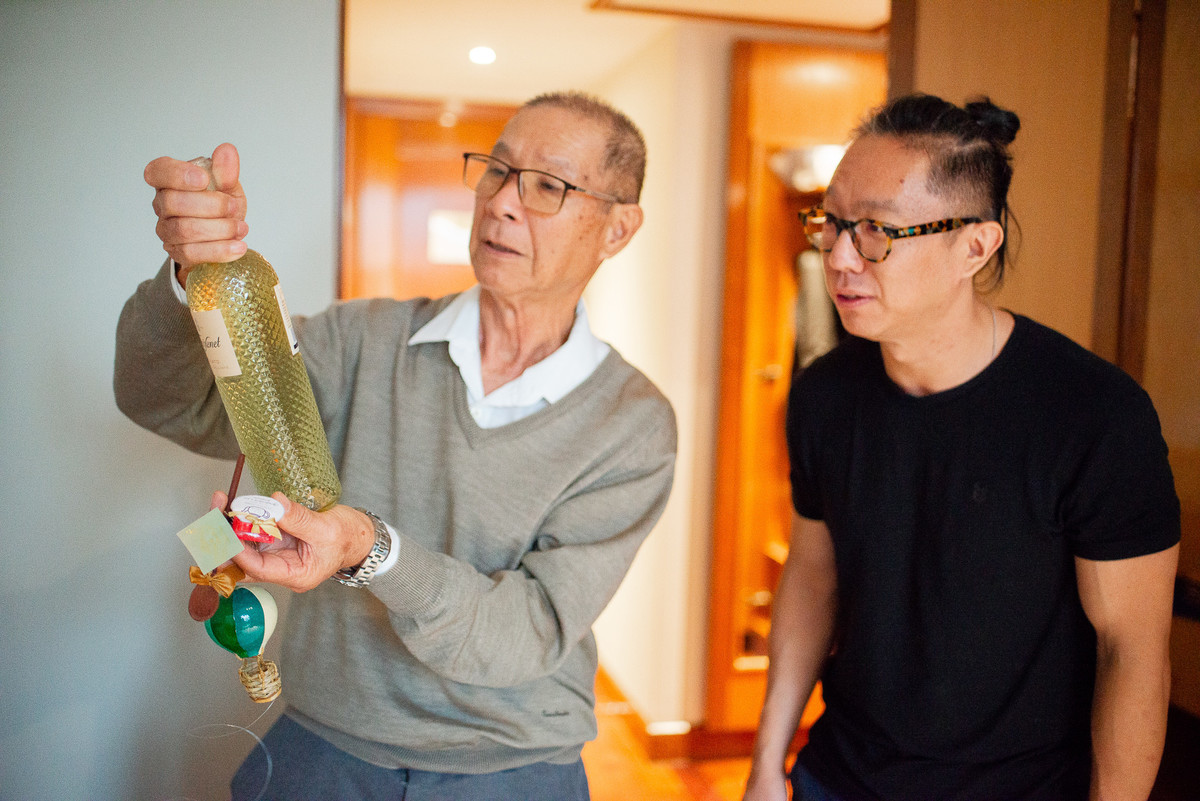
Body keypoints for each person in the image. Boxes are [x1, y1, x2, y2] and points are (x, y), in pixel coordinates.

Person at [114, 91, 677, 801]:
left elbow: (526, 629)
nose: (503, 201)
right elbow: (168, 402)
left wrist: (371, 548)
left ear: (618, 228)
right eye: (497, 170)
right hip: (326, 745)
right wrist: (192, 275)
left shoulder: (633, 424)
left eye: (546, 186)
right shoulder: (361, 341)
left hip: (513, 768)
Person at [742, 93, 1180, 801]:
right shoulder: (825, 395)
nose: (841, 256)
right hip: (840, 774)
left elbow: (1130, 650)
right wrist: (768, 762)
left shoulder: (1093, 414)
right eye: (832, 222)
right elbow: (812, 576)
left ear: (974, 246)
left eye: (878, 230)